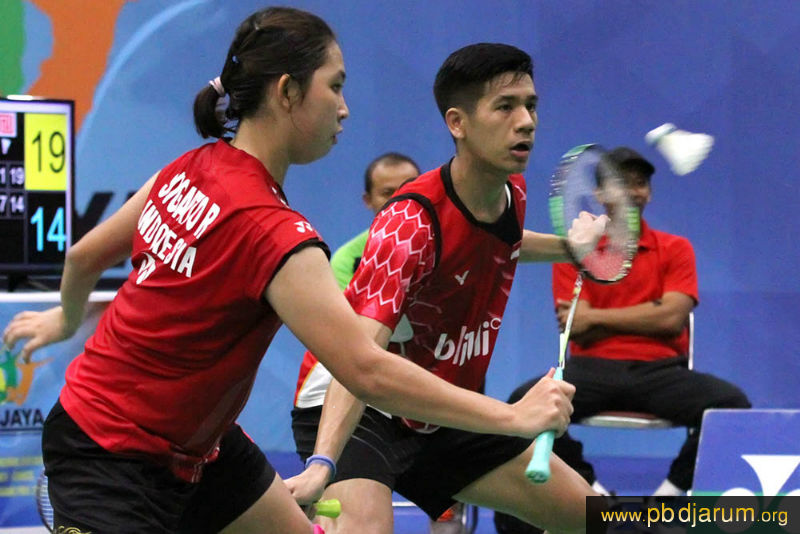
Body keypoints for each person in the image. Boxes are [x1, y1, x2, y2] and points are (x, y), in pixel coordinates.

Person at [2, 9, 586, 534]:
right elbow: (366, 370)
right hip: (106, 454)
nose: (344, 107)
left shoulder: (188, 167)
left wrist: (64, 319)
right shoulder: (277, 235)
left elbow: (83, 257)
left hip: (201, 448)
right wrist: (513, 416)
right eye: (335, 86)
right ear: (288, 92)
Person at [287, 43, 603, 534]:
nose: (526, 122)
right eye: (505, 107)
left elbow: (502, 239)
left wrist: (569, 247)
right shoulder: (410, 223)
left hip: (435, 406)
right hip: (358, 407)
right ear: (458, 123)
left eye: (530, 105)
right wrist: (322, 463)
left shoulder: (509, 192)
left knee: (592, 516)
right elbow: (359, 364)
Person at [494, 147, 751, 533]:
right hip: (590, 371)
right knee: (523, 402)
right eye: (621, 184)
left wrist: (598, 317)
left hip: (660, 373)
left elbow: (672, 318)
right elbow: (575, 326)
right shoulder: (576, 250)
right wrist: (648, 314)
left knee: (732, 407)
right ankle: (594, 495)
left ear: (649, 193)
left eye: (640, 183)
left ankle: (667, 497)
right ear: (599, 195)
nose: (632, 191)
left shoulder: (675, 249)